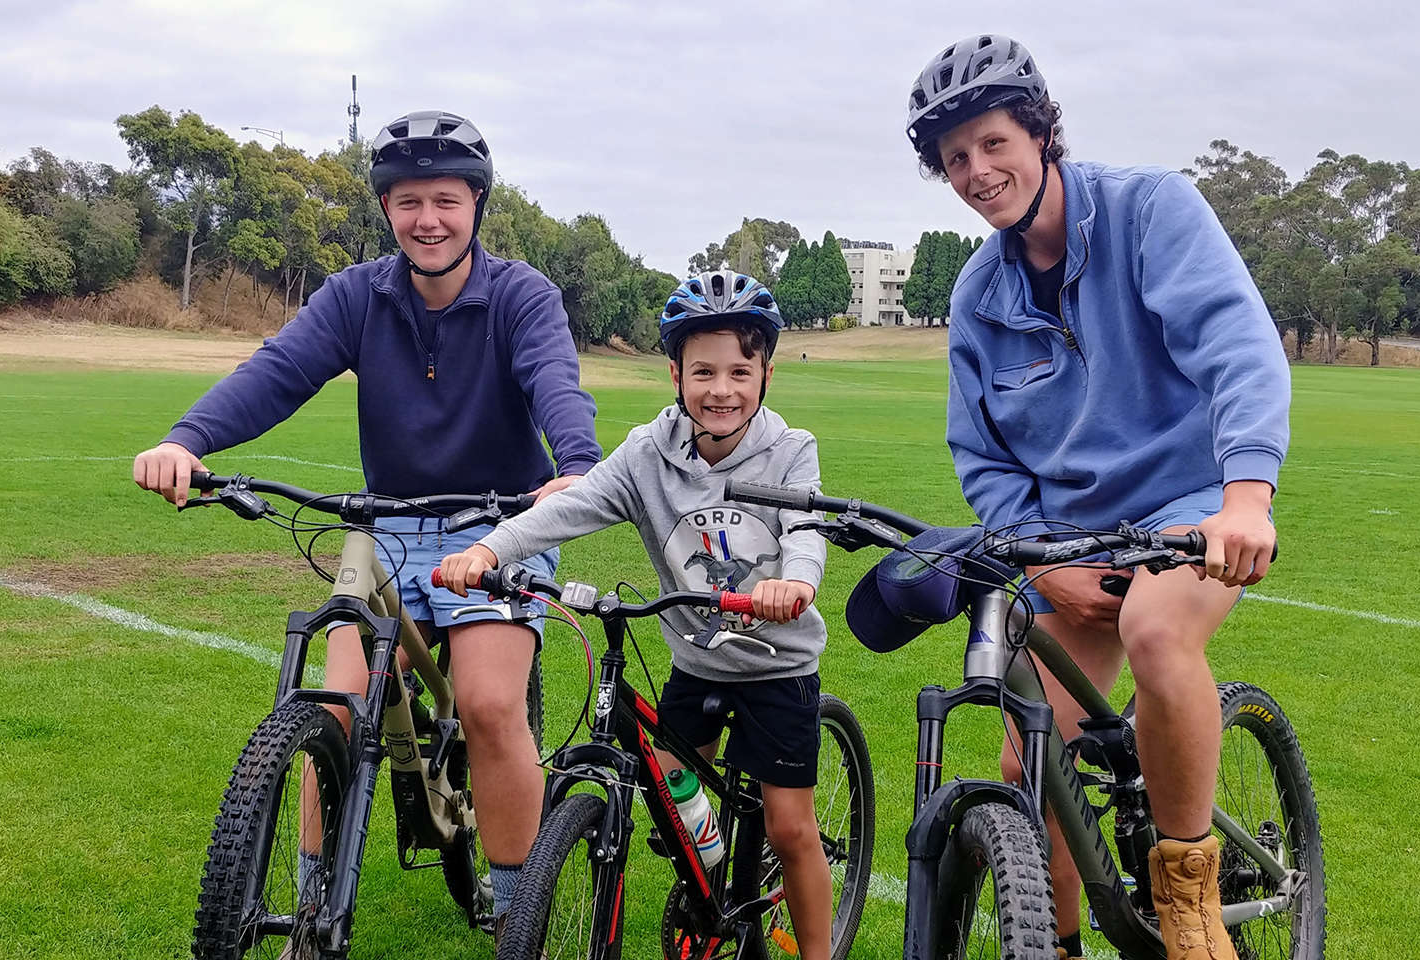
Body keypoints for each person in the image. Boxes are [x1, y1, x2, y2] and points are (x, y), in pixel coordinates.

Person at [131, 110, 601, 933]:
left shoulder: (522, 295)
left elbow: (553, 379)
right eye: (409, 201)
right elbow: (278, 371)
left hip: (501, 523)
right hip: (386, 527)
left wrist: (575, 468)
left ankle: (513, 899)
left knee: (491, 705)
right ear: (387, 210)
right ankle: (310, 906)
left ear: (478, 205)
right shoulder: (359, 295)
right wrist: (186, 440)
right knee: (334, 704)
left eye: (446, 200)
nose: (428, 220)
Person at [905, 36, 1291, 960]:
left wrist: (1245, 498)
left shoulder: (1151, 210)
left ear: (1038, 132)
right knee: (1028, 763)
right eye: (955, 158)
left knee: (1158, 633)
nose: (977, 171)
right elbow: (984, 455)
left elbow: (1239, 349)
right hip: (1068, 538)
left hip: (1190, 504)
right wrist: (1049, 555)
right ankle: (1057, 943)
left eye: (993, 143)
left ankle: (1189, 891)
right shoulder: (979, 295)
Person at [438, 269, 837, 959]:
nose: (721, 390)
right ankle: (713, 894)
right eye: (703, 371)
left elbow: (807, 529)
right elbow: (570, 506)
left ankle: (817, 951)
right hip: (696, 662)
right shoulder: (648, 453)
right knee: (675, 797)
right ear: (675, 374)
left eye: (740, 371)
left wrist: (795, 584)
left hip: (777, 665)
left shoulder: (789, 449)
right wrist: (486, 549)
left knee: (788, 827)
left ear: (766, 375)